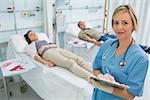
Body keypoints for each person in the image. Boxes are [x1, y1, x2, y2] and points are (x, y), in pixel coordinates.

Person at [91, 5, 148, 100]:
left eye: (125, 23)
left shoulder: (140, 58)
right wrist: (100, 76)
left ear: (133, 25)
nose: (119, 27)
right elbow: (96, 67)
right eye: (116, 23)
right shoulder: (107, 45)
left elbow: (131, 95)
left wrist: (107, 88)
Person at [24, 30, 95, 80]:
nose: (34, 34)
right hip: (48, 53)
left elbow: (54, 45)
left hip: (57, 49)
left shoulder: (44, 41)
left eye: (34, 33)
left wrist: (44, 47)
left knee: (78, 59)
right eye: (31, 34)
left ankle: (96, 73)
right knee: (70, 63)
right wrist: (45, 62)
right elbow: (35, 56)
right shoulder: (30, 46)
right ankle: (91, 78)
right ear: (28, 39)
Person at [78, 21, 150, 54]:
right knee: (121, 42)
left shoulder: (89, 29)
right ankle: (143, 48)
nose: (83, 25)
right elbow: (89, 40)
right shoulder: (82, 33)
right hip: (102, 39)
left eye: (83, 23)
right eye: (81, 24)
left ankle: (143, 48)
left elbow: (97, 33)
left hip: (105, 35)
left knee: (125, 39)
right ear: (79, 26)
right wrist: (97, 43)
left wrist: (105, 33)